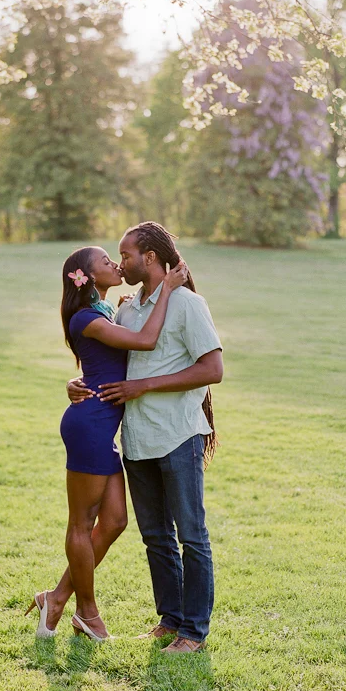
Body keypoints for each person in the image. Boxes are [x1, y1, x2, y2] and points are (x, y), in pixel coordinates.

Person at [69, 222, 223, 654]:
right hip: (136, 440)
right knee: (155, 535)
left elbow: (213, 370)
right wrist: (75, 382)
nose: (121, 263)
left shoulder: (188, 304)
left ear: (151, 258)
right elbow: (110, 364)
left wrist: (145, 387)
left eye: (127, 255)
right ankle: (170, 620)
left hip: (177, 436)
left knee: (191, 535)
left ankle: (193, 630)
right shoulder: (128, 310)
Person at [25, 245, 188, 642]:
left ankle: (57, 596)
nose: (114, 264)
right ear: (87, 276)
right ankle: (87, 613)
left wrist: (126, 306)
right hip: (89, 426)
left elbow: (100, 360)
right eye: (105, 261)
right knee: (81, 523)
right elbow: (145, 341)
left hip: (101, 426)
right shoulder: (86, 318)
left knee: (114, 521)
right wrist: (166, 288)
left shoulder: (102, 311)